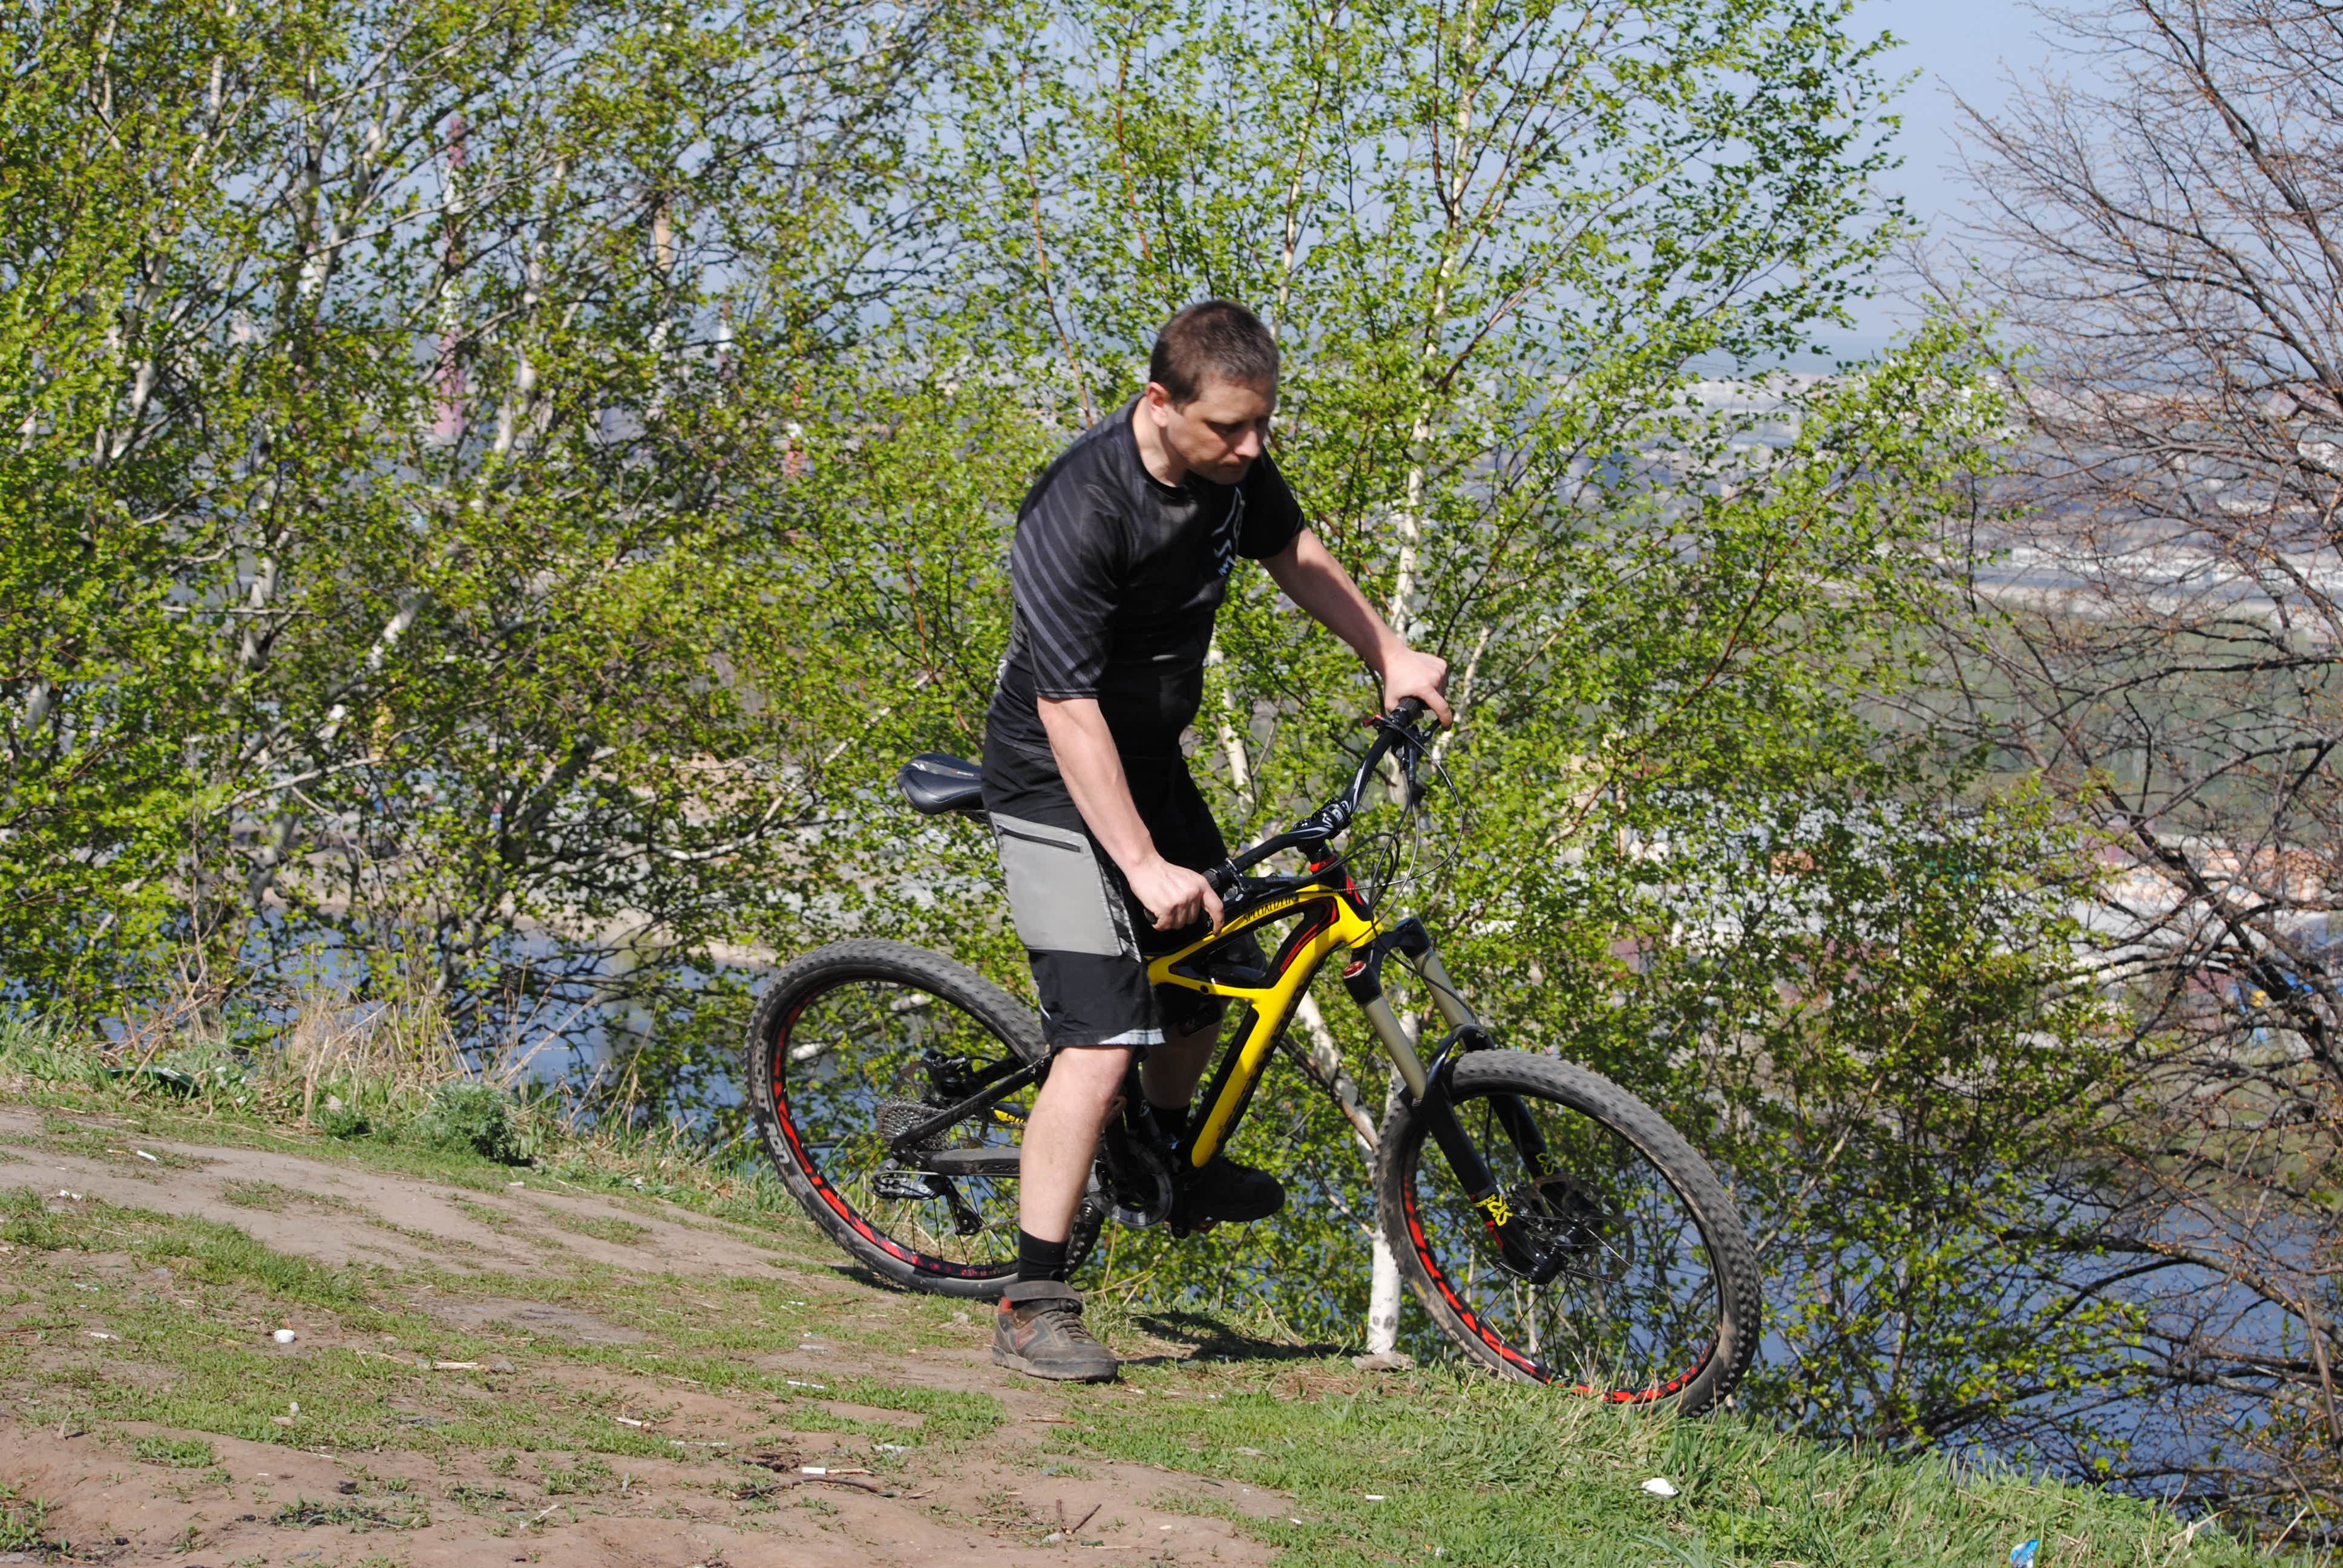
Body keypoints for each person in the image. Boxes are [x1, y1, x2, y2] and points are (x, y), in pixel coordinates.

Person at [981, 299, 1452, 1382]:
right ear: (1160, 402)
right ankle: (1030, 1300)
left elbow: (1296, 553)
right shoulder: (1080, 507)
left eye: (1263, 426)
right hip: (1052, 776)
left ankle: (1160, 1155)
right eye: (1229, 428)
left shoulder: (1234, 472)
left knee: (1214, 978)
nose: (1251, 447)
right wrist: (1143, 865)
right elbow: (1065, 708)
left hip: (1147, 760)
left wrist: (1387, 651)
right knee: (1102, 1037)